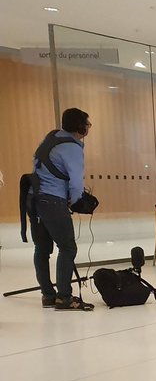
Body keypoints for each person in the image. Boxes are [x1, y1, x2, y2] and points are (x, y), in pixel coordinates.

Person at [30, 108, 94, 311]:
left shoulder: (51, 137)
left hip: (35, 199)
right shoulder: (72, 147)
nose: (88, 128)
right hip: (53, 200)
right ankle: (64, 297)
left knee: (42, 248)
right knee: (67, 248)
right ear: (80, 127)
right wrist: (75, 202)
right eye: (87, 124)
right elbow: (76, 183)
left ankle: (48, 295)